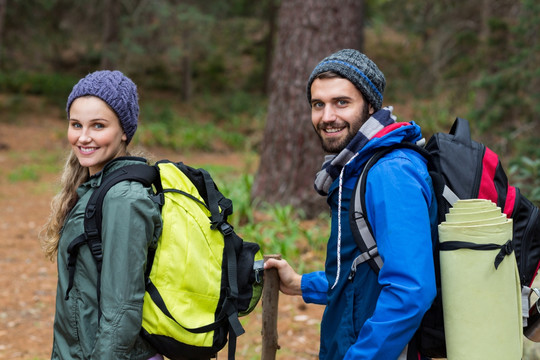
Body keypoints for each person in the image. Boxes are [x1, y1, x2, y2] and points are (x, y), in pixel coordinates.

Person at [264, 49, 438, 359]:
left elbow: (410, 292)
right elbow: (362, 274)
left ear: (371, 105)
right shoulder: (354, 168)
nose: (327, 117)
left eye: (341, 102)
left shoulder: (390, 171)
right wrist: (302, 285)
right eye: (318, 104)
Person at [40, 70, 163, 360]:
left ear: (124, 131)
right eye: (76, 124)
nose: (83, 137)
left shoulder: (124, 199)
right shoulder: (94, 188)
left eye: (98, 126)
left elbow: (122, 308)